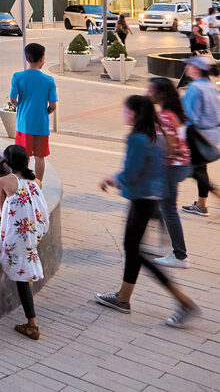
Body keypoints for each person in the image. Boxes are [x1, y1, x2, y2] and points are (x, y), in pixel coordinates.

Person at [95, 95, 199, 328]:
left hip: (141, 199)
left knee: (138, 254)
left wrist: (112, 179)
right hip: (151, 199)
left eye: (126, 110)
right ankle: (123, 298)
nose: (123, 113)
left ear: (135, 113)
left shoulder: (138, 139)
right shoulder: (156, 133)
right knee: (134, 251)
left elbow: (130, 174)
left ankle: (183, 302)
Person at [0, 144, 49, 340]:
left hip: (15, 236)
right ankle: (31, 321)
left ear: (7, 163)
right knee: (25, 272)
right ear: (27, 161)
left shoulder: (3, 181)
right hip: (31, 234)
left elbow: (3, 213)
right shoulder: (36, 182)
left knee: (22, 277)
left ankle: (32, 324)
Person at [147, 77, 192, 268]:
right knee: (162, 207)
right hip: (178, 165)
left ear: (161, 94)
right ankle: (167, 247)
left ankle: (180, 256)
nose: (148, 93)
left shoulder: (165, 116)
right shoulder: (173, 112)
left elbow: (169, 148)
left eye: (151, 90)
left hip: (170, 167)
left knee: (169, 210)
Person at [9, 43, 57, 183]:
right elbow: (53, 105)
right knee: (40, 157)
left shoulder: (17, 77)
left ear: (26, 58)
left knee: (23, 156)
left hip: (24, 123)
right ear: (42, 59)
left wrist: (22, 107)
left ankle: (23, 183)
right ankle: (38, 185)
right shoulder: (49, 80)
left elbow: (12, 99)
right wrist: (43, 113)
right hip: (41, 124)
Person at [181, 54, 220, 216]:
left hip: (195, 135)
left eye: (189, 65)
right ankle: (202, 205)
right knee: (200, 169)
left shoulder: (195, 87)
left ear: (196, 69)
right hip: (210, 135)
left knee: (193, 170)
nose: (187, 67)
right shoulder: (210, 86)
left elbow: (189, 115)